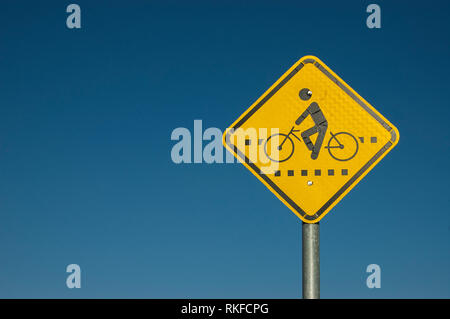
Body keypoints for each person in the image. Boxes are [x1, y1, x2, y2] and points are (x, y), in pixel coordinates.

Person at [295, 88, 328, 160]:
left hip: (322, 125)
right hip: (318, 125)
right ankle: (311, 148)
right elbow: (305, 114)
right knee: (304, 134)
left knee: (320, 137)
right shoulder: (311, 106)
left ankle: (315, 153)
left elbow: (304, 114)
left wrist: (298, 122)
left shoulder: (313, 105)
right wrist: (297, 122)